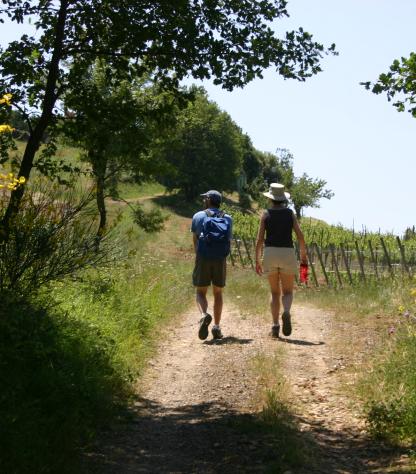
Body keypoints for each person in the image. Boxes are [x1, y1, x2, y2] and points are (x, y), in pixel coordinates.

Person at [255, 183, 307, 338]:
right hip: (287, 253)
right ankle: (286, 311)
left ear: (271, 199)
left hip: (270, 253)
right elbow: (300, 236)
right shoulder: (290, 214)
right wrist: (303, 257)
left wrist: (257, 259)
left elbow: (259, 240)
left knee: (274, 292)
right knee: (288, 291)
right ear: (283, 199)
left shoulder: (265, 215)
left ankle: (275, 326)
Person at [191, 190, 233, 340]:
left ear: (208, 200)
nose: (203, 201)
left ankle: (204, 315)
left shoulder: (198, 216)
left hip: (203, 257)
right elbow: (228, 240)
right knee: (218, 293)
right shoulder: (227, 218)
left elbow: (195, 239)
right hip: (220, 259)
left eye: (205, 198)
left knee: (200, 292)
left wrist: (199, 255)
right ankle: (216, 327)